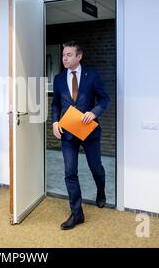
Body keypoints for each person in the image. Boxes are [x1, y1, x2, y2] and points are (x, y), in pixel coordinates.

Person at [52, 41, 110, 230]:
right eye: (63, 55)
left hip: (89, 132)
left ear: (79, 56)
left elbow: (104, 99)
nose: (65, 58)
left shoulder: (92, 76)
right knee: (70, 173)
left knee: (96, 168)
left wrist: (94, 112)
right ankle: (77, 213)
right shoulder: (59, 78)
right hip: (68, 133)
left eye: (69, 55)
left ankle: (100, 191)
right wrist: (54, 122)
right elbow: (55, 104)